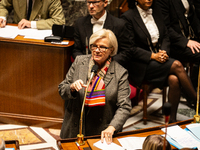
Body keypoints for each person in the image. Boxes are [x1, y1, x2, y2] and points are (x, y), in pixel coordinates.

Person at [121, 0, 197, 122]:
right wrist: (153, 56)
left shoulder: (157, 12)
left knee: (174, 79)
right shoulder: (127, 17)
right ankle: (196, 101)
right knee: (177, 65)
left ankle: (172, 120)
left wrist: (163, 52)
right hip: (141, 64)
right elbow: (130, 49)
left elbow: (166, 36)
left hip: (160, 59)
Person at [58, 29, 132, 144]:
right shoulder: (79, 62)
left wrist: (112, 127)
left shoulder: (120, 73)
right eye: (94, 46)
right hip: (73, 130)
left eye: (102, 47)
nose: (97, 50)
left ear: (111, 49)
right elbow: (62, 89)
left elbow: (125, 106)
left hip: (100, 132)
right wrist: (71, 87)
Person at [156, 0, 200, 105]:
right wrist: (186, 42)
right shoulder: (163, 2)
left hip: (191, 37)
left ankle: (190, 87)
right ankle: (191, 95)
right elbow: (165, 28)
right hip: (174, 43)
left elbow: (193, 18)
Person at [72, 0, 133, 67]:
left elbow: (127, 51)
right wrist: (85, 63)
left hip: (111, 68)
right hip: (86, 67)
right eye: (89, 2)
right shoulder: (80, 23)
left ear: (105, 3)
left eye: (95, 2)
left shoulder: (119, 24)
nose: (91, 6)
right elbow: (76, 49)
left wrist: (109, 64)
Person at [0, 0, 65, 30]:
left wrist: (32, 24)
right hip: (17, 34)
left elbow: (59, 21)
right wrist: (2, 17)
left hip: (39, 41)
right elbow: (3, 5)